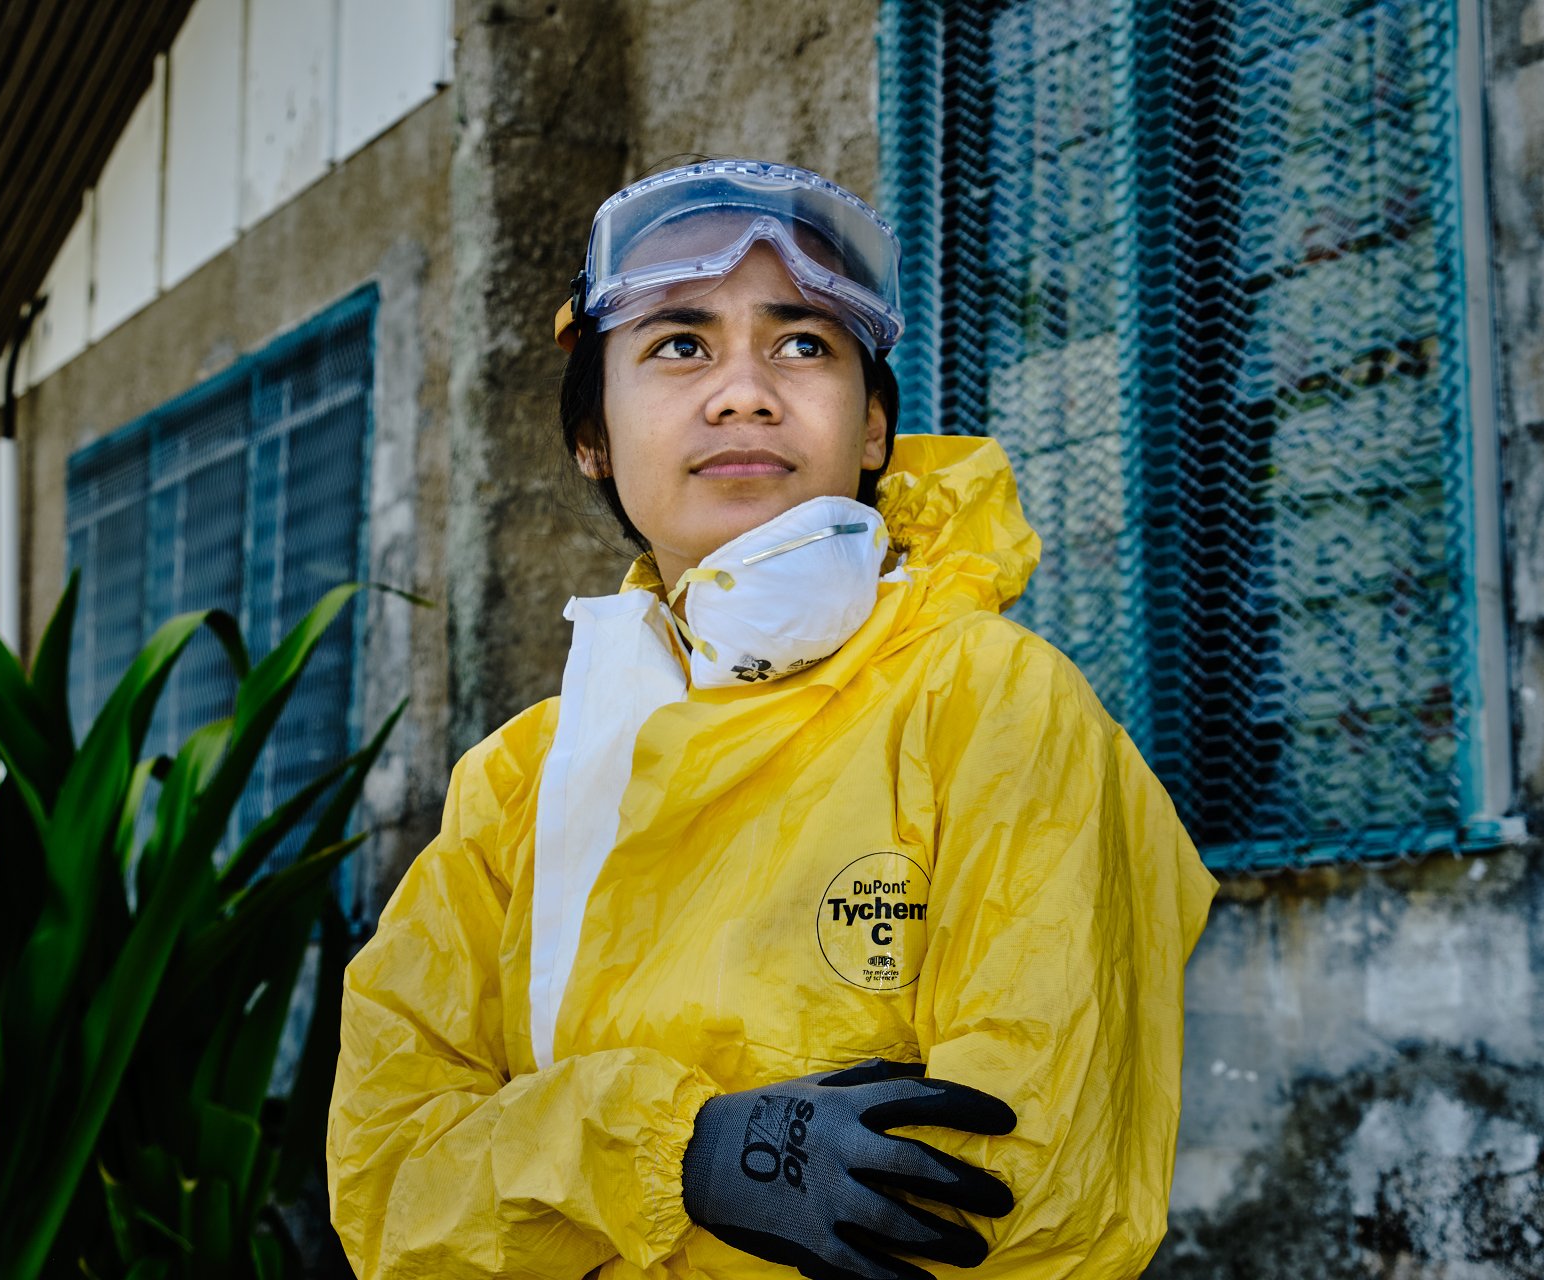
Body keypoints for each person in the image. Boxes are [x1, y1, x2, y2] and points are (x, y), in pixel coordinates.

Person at [327, 159, 1216, 1280]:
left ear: (872, 428)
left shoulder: (994, 704)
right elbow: (392, 1182)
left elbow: (1033, 1202)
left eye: (802, 344)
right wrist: (677, 1152)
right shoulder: (518, 784)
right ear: (593, 436)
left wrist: (581, 1199)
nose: (744, 392)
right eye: (679, 345)